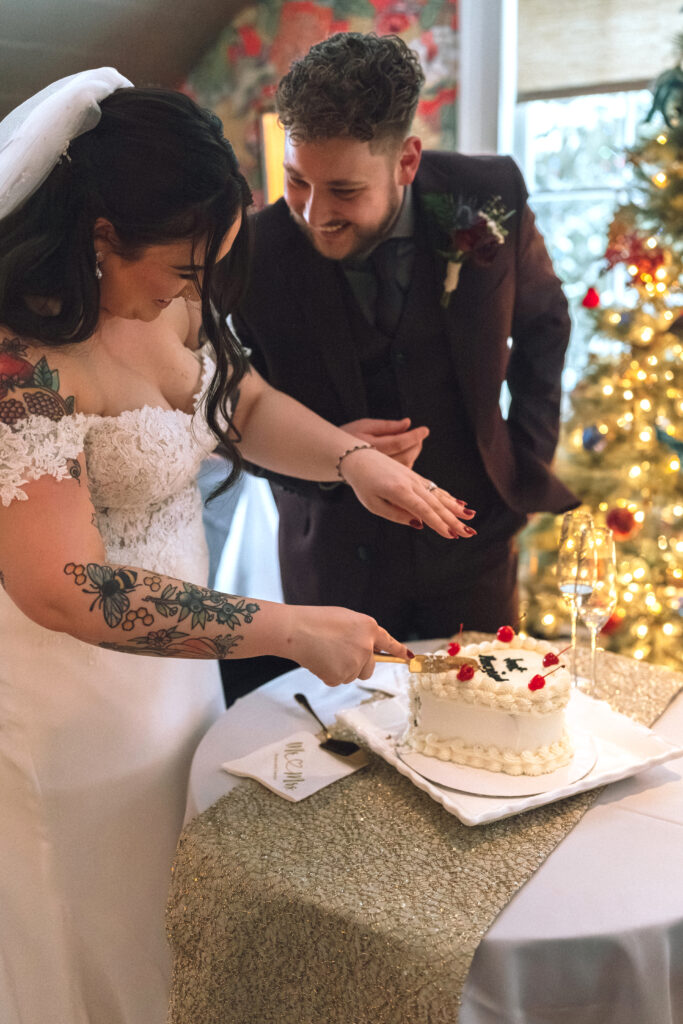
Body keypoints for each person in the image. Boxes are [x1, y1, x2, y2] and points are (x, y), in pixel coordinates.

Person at [0, 69, 475, 1024]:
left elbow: (240, 404)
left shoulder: (165, 299)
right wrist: (286, 628)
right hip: (65, 702)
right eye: (185, 268)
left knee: (182, 915)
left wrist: (347, 459)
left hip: (175, 678)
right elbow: (62, 586)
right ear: (99, 241)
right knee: (95, 934)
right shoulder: (22, 362)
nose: (201, 291)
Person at [227, 31, 579, 696]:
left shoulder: (488, 197)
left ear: (407, 161)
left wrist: (524, 461)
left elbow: (545, 325)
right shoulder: (253, 252)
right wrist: (330, 456)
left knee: (482, 724)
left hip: (474, 546)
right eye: (296, 180)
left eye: (343, 190)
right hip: (334, 561)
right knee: (349, 755)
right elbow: (233, 414)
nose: (313, 214)